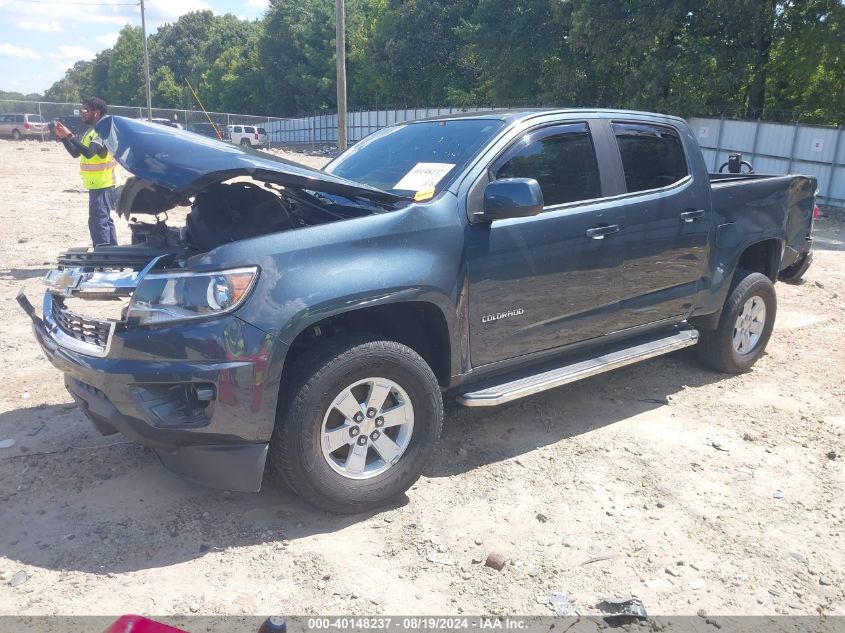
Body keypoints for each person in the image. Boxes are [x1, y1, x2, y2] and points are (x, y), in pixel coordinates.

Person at [53, 97, 118, 247]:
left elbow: (89, 153)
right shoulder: (91, 131)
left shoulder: (101, 131)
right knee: (103, 220)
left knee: (98, 221)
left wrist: (70, 135)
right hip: (97, 184)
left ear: (96, 113)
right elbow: (77, 153)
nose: (82, 113)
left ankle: (104, 259)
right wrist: (64, 139)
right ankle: (112, 255)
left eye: (85, 110)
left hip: (102, 184)